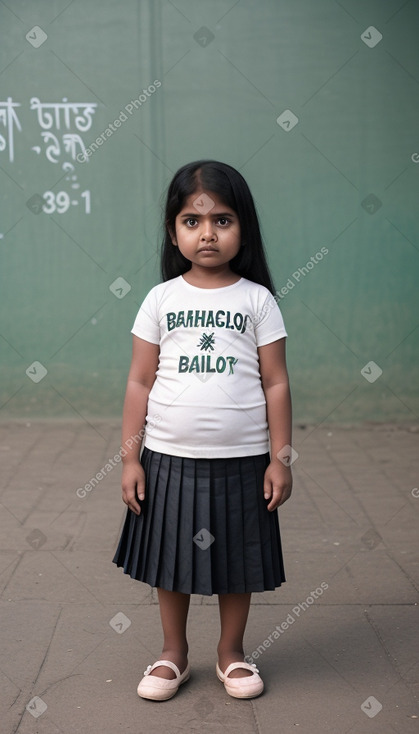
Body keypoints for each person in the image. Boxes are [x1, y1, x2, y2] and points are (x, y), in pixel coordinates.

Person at [112, 159, 293, 701]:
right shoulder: (161, 299)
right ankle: (173, 654)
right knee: (171, 559)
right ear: (174, 230)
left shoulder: (257, 300)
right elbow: (139, 383)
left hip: (243, 460)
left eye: (222, 220)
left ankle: (231, 654)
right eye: (192, 221)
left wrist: (279, 458)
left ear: (244, 229)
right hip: (169, 457)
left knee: (238, 561)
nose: (207, 232)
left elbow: (276, 383)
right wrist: (129, 457)